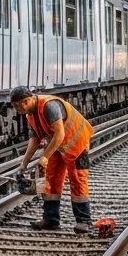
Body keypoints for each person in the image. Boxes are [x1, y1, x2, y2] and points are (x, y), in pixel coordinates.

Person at [11, 87, 95, 233]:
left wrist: (44, 157)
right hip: (57, 146)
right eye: (16, 106)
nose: (19, 109)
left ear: (28, 99)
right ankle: (51, 219)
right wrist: (23, 164)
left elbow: (60, 133)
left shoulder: (49, 105)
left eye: (20, 105)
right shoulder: (30, 114)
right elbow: (34, 139)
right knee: (51, 180)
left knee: (77, 180)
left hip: (76, 144)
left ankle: (84, 221)